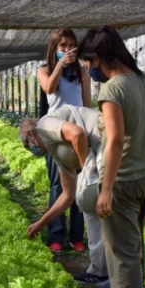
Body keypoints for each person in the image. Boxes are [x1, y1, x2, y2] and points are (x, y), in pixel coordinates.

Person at [76, 26, 145, 288]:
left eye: (89, 66)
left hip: (123, 179)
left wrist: (107, 189)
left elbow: (112, 142)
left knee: (122, 252)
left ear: (98, 58)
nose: (90, 73)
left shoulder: (112, 90)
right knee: (134, 245)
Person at [20, 105, 108, 286]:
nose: (31, 150)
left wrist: (85, 171)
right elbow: (67, 196)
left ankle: (112, 277)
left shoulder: (45, 124)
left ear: (31, 135)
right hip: (100, 149)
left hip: (106, 142)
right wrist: (41, 223)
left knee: (102, 208)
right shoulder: (56, 148)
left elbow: (77, 134)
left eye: (27, 145)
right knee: (89, 205)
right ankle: (100, 271)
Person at [37, 28, 91, 253]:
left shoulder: (82, 72)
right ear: (54, 49)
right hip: (56, 133)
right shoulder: (44, 70)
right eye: (63, 46)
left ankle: (77, 236)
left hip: (78, 132)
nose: (68, 50)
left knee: (81, 183)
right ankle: (56, 235)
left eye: (71, 46)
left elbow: (87, 104)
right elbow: (48, 87)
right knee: (58, 186)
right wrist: (60, 65)